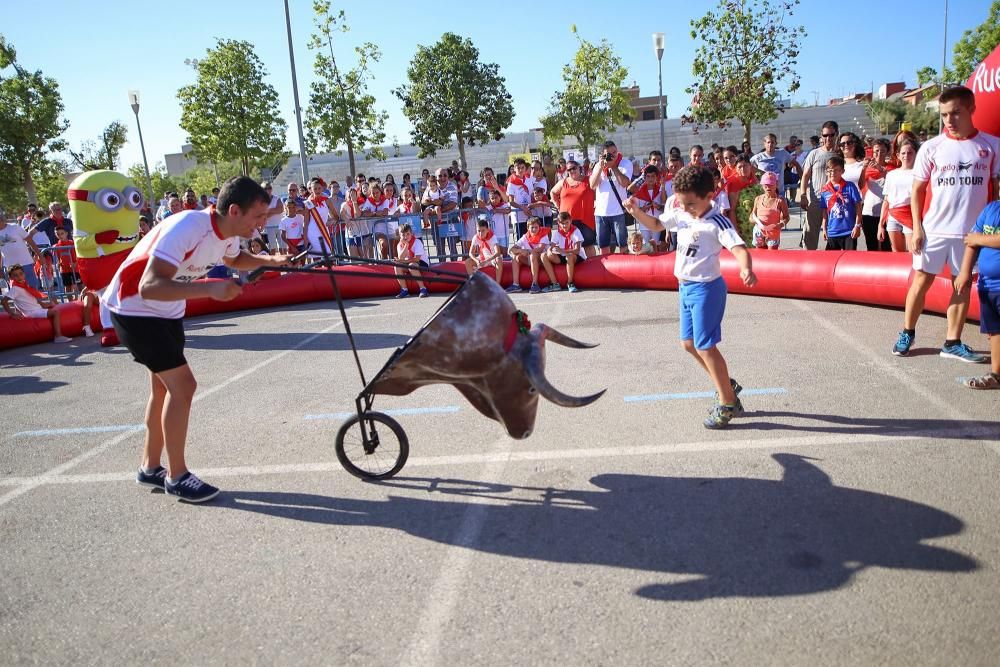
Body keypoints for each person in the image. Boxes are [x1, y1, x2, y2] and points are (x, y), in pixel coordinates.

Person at [102, 176, 291, 503]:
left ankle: (149, 467)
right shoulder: (189, 227)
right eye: (258, 217)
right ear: (234, 210)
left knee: (163, 388)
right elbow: (149, 285)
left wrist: (268, 260)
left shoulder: (228, 232)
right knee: (184, 387)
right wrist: (209, 288)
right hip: (134, 307)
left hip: (166, 310)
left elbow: (234, 259)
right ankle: (177, 477)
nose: (262, 225)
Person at [623, 164, 757, 429]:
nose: (684, 208)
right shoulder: (681, 214)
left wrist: (746, 268)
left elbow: (739, 248)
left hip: (707, 289)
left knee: (705, 346)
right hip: (684, 287)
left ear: (710, 195)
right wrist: (636, 211)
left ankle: (727, 402)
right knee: (688, 343)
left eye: (690, 203)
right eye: (681, 203)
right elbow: (657, 224)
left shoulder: (716, 221)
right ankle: (726, 385)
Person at [892, 85, 1000, 361]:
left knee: (961, 285)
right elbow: (917, 191)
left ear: (971, 110)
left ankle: (952, 341)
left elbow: (995, 191)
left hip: (970, 235)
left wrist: (989, 231)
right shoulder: (932, 147)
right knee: (921, 281)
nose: (948, 121)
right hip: (934, 230)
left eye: (955, 113)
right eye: (943, 115)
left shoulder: (991, 145)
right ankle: (907, 331)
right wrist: (917, 228)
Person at [955, 201, 1000, 388]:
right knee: (995, 331)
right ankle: (996, 375)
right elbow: (970, 241)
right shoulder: (991, 209)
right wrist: (965, 271)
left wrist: (979, 239)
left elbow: (975, 239)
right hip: (987, 285)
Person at [0, 263, 75, 342]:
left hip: (35, 308)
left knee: (53, 304)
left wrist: (43, 304)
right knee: (55, 312)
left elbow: (28, 298)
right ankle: (58, 336)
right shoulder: (15, 289)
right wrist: (12, 314)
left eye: (21, 274)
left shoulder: (23, 285)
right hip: (31, 312)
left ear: (24, 274)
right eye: (15, 275)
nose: (19, 277)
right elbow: (4, 301)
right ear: (11, 277)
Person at [800, 121, 840, 249]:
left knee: (835, 238)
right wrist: (802, 195)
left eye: (831, 135)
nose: (828, 138)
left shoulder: (840, 154)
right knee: (810, 238)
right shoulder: (814, 154)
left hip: (835, 202)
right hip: (816, 201)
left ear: (836, 135)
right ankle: (808, 264)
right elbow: (805, 175)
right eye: (825, 135)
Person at [589, 140, 634, 255]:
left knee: (622, 244)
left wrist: (613, 166)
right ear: (602, 155)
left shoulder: (625, 163)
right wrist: (600, 167)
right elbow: (592, 185)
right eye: (608, 154)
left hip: (618, 211)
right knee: (603, 246)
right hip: (601, 213)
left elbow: (625, 183)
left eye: (614, 152)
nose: (612, 156)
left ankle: (624, 268)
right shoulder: (598, 165)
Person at [878, 137, 918, 253]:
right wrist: (880, 225)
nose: (906, 156)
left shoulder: (919, 173)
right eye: (903, 153)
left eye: (910, 153)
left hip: (911, 216)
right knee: (897, 253)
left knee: (913, 252)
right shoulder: (892, 174)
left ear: (916, 154)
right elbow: (886, 200)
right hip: (893, 217)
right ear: (898, 155)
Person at [550, 161, 597, 257]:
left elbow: (598, 194)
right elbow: (553, 192)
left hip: (585, 220)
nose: (572, 171)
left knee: (588, 246)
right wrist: (558, 206)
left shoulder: (589, 180)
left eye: (574, 168)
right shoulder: (563, 182)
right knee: (568, 246)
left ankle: (593, 270)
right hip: (567, 221)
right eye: (569, 169)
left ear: (579, 168)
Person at [819, 156, 863, 251]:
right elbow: (824, 213)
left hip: (849, 231)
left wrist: (857, 226)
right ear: (826, 172)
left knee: (850, 260)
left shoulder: (850, 186)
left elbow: (858, 208)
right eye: (830, 170)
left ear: (842, 171)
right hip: (833, 232)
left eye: (836, 170)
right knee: (830, 260)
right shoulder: (825, 191)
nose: (832, 173)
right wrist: (824, 229)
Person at [541, 212, 586, 293]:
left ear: (570, 221)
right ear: (558, 223)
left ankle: (570, 283)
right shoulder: (557, 232)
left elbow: (577, 250)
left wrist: (563, 251)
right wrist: (549, 251)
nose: (565, 225)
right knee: (543, 255)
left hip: (576, 256)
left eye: (567, 223)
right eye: (562, 223)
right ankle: (554, 283)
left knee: (569, 256)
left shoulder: (576, 231)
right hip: (563, 256)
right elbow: (551, 246)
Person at [860, 138, 892, 251]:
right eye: (876, 151)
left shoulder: (892, 168)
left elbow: (892, 181)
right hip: (868, 212)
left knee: (886, 246)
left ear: (888, 152)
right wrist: (863, 169)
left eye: (882, 151)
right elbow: (860, 185)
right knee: (872, 246)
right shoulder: (868, 168)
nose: (879, 154)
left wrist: (880, 169)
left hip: (887, 213)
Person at [508, 216, 551, 293]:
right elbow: (511, 250)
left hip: (541, 261)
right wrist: (520, 250)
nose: (534, 229)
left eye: (536, 227)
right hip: (529, 260)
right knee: (515, 257)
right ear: (528, 228)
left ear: (539, 227)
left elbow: (540, 249)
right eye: (532, 227)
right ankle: (516, 284)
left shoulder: (544, 235)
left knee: (533, 255)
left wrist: (527, 251)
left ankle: (535, 284)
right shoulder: (525, 237)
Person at [0, 213, 43, 289]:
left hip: (26, 264)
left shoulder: (15, 227)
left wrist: (40, 256)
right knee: (16, 292)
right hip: (9, 267)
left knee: (32, 289)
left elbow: (30, 241)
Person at [750, 133, 800, 197]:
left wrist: (802, 178)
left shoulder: (782, 153)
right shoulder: (758, 157)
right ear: (764, 144)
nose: (770, 145)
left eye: (772, 142)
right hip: (764, 193)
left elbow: (796, 164)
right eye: (768, 142)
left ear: (776, 143)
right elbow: (748, 167)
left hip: (779, 192)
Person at [630, 165, 665, 251]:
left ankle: (656, 263)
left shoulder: (660, 190)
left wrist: (658, 206)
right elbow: (635, 211)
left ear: (656, 177)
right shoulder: (639, 191)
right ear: (645, 178)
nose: (650, 179)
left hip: (656, 222)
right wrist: (643, 209)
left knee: (655, 245)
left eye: (653, 176)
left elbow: (664, 205)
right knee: (645, 247)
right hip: (644, 224)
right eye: (648, 176)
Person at [751, 171, 789, 250]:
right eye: (766, 185)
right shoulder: (758, 199)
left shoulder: (780, 201)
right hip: (759, 232)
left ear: (776, 184)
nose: (768, 187)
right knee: (759, 255)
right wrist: (756, 221)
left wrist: (780, 225)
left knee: (772, 256)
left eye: (771, 184)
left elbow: (786, 217)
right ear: (762, 185)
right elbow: (752, 216)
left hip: (773, 233)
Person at [394, 223, 430, 298]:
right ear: (400, 236)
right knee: (397, 266)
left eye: (408, 234)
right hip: (409, 262)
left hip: (422, 263)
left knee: (412, 265)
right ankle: (404, 290)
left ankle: (423, 289)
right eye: (403, 235)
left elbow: (417, 259)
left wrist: (402, 261)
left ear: (411, 234)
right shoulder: (399, 244)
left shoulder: (417, 242)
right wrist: (406, 246)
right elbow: (401, 258)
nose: (406, 237)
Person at [465, 217, 504, 283]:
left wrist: (486, 261)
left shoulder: (492, 237)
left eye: (483, 231)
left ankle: (498, 284)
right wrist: (476, 260)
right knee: (468, 261)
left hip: (492, 259)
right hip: (482, 258)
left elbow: (498, 252)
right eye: (478, 231)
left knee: (499, 259)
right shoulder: (476, 237)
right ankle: (474, 283)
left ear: (487, 230)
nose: (480, 233)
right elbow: (470, 253)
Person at [505, 159, 533, 240]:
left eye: (522, 167)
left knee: (530, 241)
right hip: (518, 217)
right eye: (518, 168)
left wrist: (532, 206)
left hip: (529, 215)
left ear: (525, 168)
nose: (520, 170)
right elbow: (511, 201)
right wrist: (522, 208)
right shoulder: (511, 182)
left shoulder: (528, 179)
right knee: (520, 241)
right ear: (514, 169)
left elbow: (531, 195)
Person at [261, 182, 284, 252]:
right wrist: (274, 210)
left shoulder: (277, 198)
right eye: (266, 188)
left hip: (279, 226)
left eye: (269, 188)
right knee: (272, 248)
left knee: (282, 247)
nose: (268, 190)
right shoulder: (261, 201)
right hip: (268, 227)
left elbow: (280, 209)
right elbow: (262, 215)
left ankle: (283, 262)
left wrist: (268, 211)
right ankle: (273, 262)